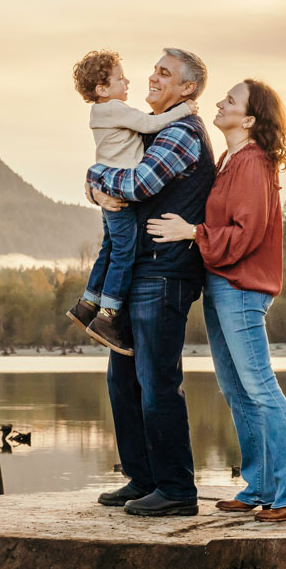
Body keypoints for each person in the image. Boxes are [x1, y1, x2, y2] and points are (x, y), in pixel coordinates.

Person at [146, 79, 286, 523]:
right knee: (237, 388)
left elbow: (248, 233)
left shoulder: (254, 163)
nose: (220, 103)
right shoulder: (231, 160)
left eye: (231, 100)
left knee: (260, 387)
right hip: (223, 283)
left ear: (250, 119)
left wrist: (192, 233)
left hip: (242, 287)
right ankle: (260, 483)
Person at [84, 48, 215, 518]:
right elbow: (116, 178)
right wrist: (97, 184)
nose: (153, 76)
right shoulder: (146, 132)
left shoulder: (181, 132)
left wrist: (97, 181)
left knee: (157, 381)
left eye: (165, 72)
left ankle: (178, 489)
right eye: (155, 69)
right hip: (140, 270)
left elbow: (136, 186)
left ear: (188, 89)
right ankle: (143, 480)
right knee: (123, 380)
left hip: (166, 272)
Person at [67, 49, 194, 355]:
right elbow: (151, 126)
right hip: (122, 196)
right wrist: (185, 110)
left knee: (110, 248)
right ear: (102, 89)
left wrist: (94, 184)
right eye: (120, 78)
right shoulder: (113, 108)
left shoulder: (103, 112)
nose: (128, 82)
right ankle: (107, 317)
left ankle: (87, 304)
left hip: (111, 190)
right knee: (123, 252)